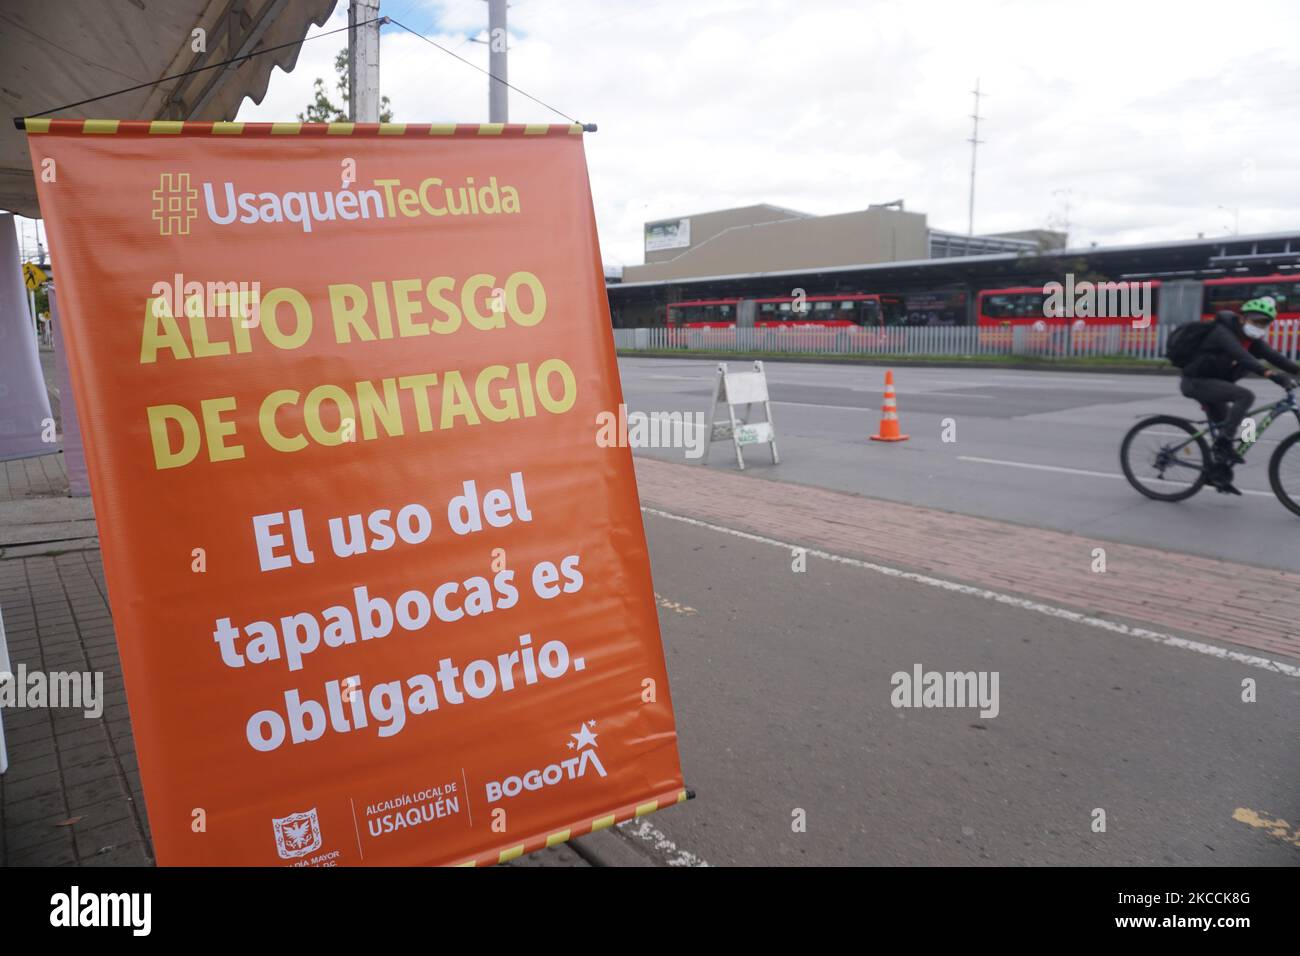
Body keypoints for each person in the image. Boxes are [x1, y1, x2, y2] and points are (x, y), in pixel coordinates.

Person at [1179, 296, 1298, 494]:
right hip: (1195, 382)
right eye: (1255, 320)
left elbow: (1277, 358)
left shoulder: (1252, 340)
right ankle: (1222, 445)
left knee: (1237, 423)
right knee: (1245, 396)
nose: (1259, 325)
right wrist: (1274, 377)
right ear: (1242, 318)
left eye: (1264, 322)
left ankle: (1218, 473)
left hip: (1215, 384)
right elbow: (1245, 358)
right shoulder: (1222, 332)